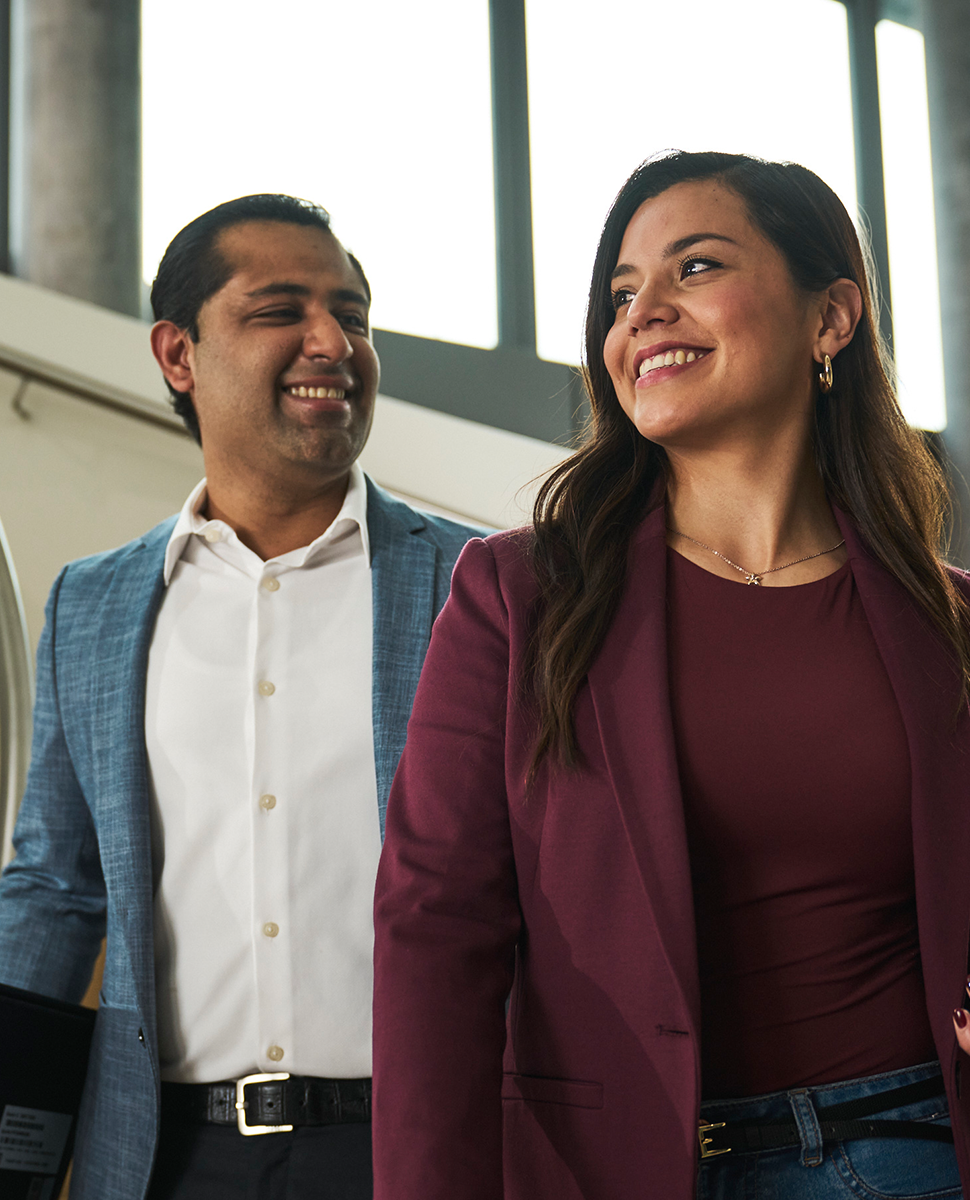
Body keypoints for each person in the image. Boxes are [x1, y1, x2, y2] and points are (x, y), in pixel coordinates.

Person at [371, 151, 970, 1199]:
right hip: (619, 1170)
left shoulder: (950, 617)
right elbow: (435, 931)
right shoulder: (518, 595)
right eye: (619, 292)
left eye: (692, 267)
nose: (641, 311)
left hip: (913, 1152)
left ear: (831, 320)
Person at [0, 194, 480, 1200]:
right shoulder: (96, 604)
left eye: (355, 314)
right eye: (280, 308)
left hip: (419, 1146)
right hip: (168, 1158)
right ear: (178, 354)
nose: (333, 341)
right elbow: (55, 886)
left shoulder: (481, 586)